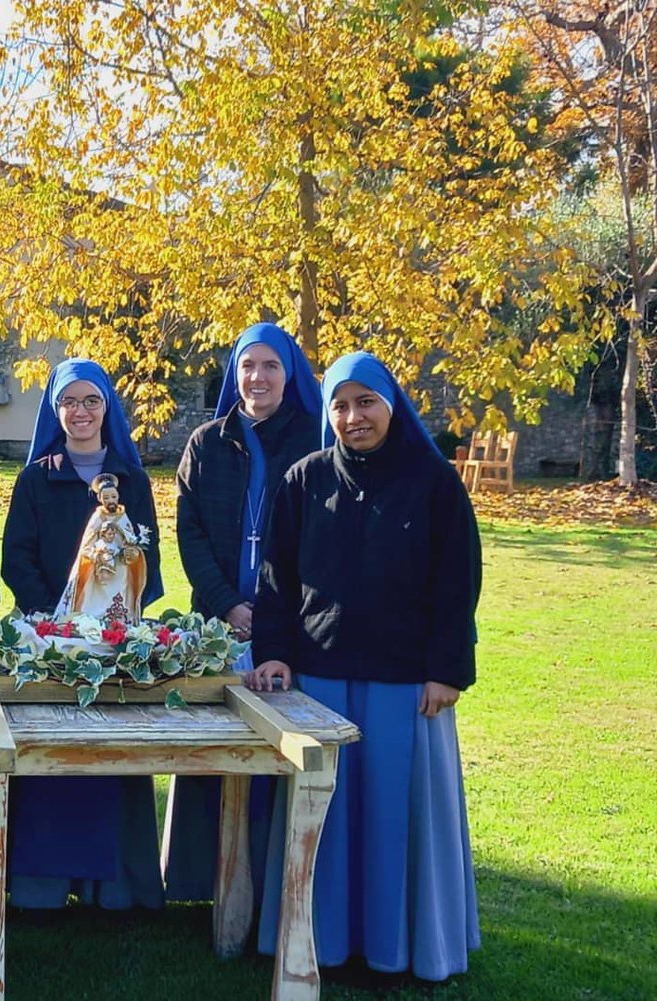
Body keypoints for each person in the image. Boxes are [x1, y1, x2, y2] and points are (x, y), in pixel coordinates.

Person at [246, 350, 481, 982]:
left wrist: (447, 670)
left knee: (394, 822)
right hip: (320, 680)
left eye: (367, 402)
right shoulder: (303, 480)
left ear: (392, 405)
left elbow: (457, 584)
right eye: (341, 405)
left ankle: (400, 949)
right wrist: (273, 651)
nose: (354, 418)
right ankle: (322, 941)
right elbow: (276, 580)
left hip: (407, 685)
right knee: (325, 820)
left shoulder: (433, 482)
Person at [162, 321, 324, 914]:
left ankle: (279, 886)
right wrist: (225, 601)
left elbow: (321, 538)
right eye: (247, 366)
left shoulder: (314, 437)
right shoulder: (207, 442)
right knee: (211, 750)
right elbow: (191, 532)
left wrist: (274, 614)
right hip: (220, 621)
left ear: (290, 374)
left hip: (289, 627)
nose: (257, 378)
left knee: (283, 750)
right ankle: (201, 882)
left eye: (270, 366)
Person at [0, 358, 164, 909]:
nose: (80, 412)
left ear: (107, 408)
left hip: (113, 639)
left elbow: (147, 555)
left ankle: (112, 890)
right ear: (56, 411)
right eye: (69, 402)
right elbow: (16, 557)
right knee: (52, 758)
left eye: (91, 401)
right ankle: (40, 887)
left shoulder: (132, 480)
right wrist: (56, 617)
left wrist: (112, 619)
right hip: (54, 640)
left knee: (109, 756)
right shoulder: (35, 478)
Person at [55, 473, 149, 622]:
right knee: (95, 599)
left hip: (119, 567)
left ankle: (119, 622)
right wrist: (97, 555)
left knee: (120, 595)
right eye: (106, 498)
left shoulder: (123, 518)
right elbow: (86, 545)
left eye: (113, 497)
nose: (111, 501)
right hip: (99, 570)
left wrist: (131, 553)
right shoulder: (97, 518)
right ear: (100, 499)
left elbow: (130, 541)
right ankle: (92, 622)